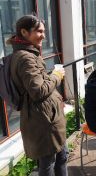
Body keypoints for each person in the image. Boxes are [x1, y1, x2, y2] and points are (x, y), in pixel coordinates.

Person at [7, 15, 68, 175]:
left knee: (61, 157)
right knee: (49, 163)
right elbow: (38, 91)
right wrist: (56, 75)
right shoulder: (26, 58)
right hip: (43, 122)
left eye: (44, 31)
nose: (44, 35)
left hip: (47, 118)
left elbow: (35, 83)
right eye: (39, 31)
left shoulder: (28, 53)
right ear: (24, 32)